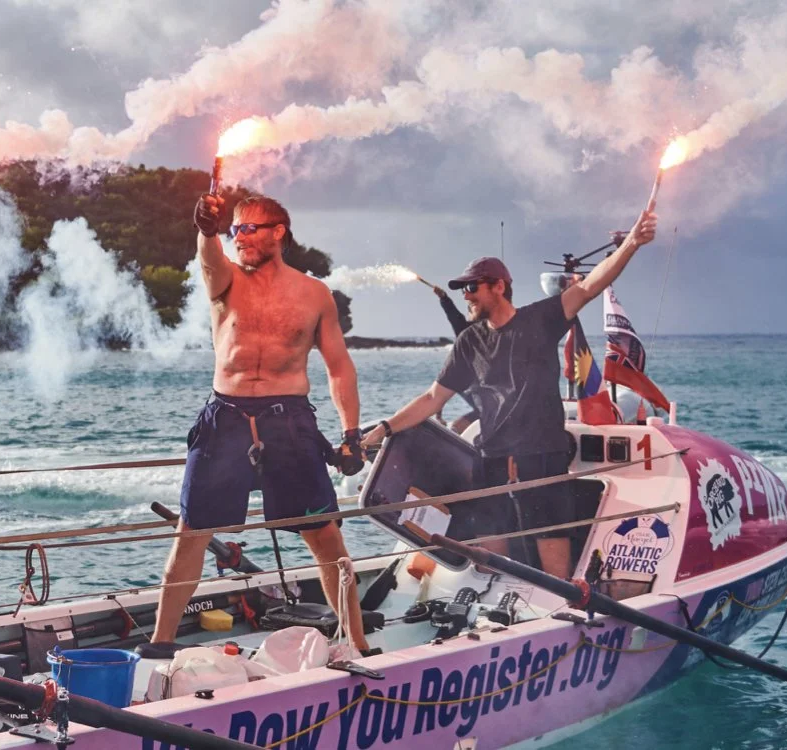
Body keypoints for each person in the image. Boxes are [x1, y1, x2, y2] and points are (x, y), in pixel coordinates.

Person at [363, 211, 657, 579]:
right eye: (462, 289)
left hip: (542, 452)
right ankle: (496, 607)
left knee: (549, 533)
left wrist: (632, 243)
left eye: (472, 287)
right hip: (491, 455)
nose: (466, 295)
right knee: (490, 542)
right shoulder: (470, 341)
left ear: (499, 287)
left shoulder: (540, 319)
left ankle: (559, 607)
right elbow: (432, 398)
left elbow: (590, 286)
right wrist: (385, 428)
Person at [150, 193, 371, 653]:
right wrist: (207, 229)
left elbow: (338, 367)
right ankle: (160, 644)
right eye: (235, 229)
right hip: (224, 420)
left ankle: (358, 642)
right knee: (191, 533)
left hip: (289, 423)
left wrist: (351, 434)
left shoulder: (313, 295)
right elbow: (208, 257)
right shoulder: (224, 279)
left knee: (325, 536)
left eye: (250, 228)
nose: (241, 237)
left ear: (279, 232)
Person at [430, 283, 479, 433]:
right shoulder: (467, 332)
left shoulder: (482, 330)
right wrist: (444, 299)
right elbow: (455, 316)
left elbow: (456, 318)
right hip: (475, 393)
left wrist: (444, 298)